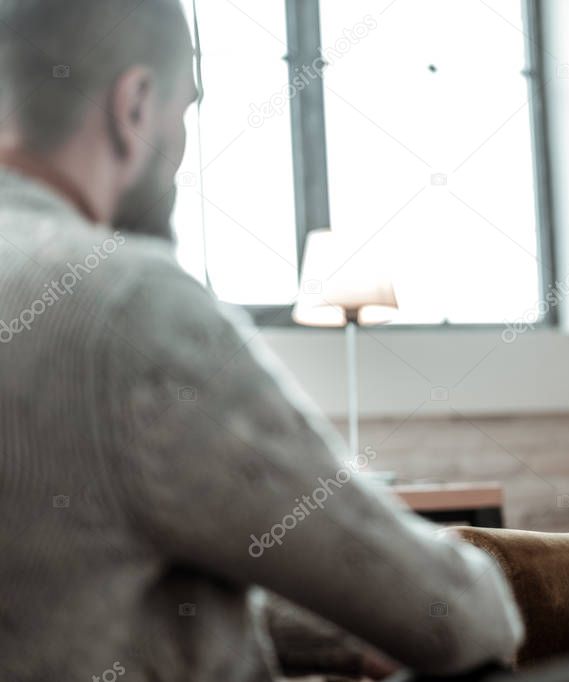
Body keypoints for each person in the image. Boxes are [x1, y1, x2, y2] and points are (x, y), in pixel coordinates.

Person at [0, 0, 523, 680]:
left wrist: (323, 640)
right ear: (132, 107)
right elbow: (457, 615)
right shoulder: (126, 306)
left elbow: (88, 577)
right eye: (185, 112)